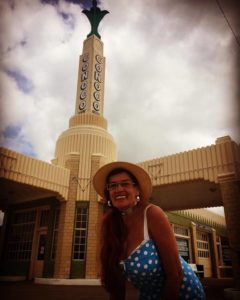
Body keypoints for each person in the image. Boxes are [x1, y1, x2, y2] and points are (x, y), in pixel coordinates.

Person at [93, 161, 205, 300]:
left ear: (137, 190)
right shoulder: (110, 224)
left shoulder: (152, 214)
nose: (119, 189)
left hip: (182, 293)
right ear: (108, 193)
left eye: (125, 183)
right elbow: (116, 283)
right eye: (113, 186)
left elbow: (175, 274)